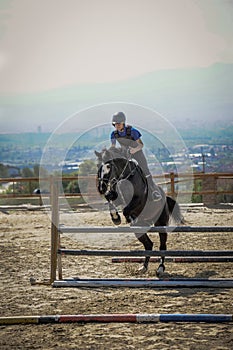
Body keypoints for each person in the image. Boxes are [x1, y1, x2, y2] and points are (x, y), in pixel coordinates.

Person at [110, 111, 162, 201]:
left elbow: (141, 145)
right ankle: (114, 194)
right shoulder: (114, 134)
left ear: (123, 123)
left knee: (145, 171)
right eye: (115, 124)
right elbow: (113, 147)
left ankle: (154, 191)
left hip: (137, 153)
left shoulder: (133, 131)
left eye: (119, 123)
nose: (117, 126)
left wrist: (134, 150)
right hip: (125, 154)